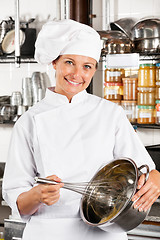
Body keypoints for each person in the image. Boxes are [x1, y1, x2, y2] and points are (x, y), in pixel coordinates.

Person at [2, 19, 160, 240]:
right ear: (54, 63)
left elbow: (145, 172)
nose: (77, 74)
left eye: (87, 66)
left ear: (95, 69)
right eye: (69, 62)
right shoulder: (29, 122)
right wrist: (37, 195)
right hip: (49, 233)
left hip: (105, 232)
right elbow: (17, 200)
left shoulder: (110, 113)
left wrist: (155, 179)